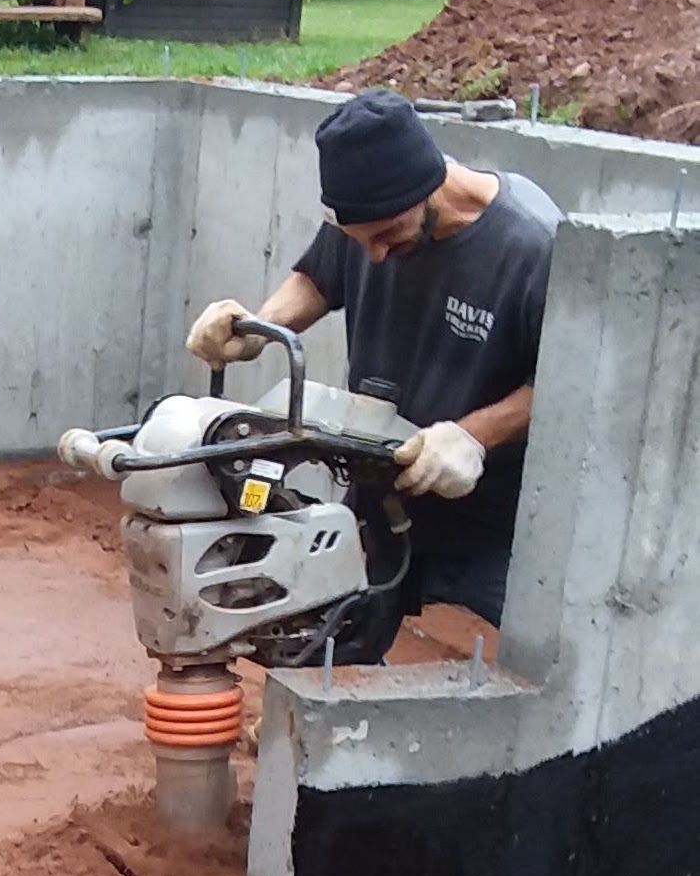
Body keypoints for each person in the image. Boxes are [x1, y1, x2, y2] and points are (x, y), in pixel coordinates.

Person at [187, 86, 561, 639]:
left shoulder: (532, 246)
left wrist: (472, 436)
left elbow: (564, 378)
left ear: (431, 188)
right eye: (359, 242)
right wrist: (260, 329)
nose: (376, 256)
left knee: (517, 673)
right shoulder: (367, 219)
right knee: (336, 641)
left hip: (490, 519)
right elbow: (319, 277)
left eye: (387, 238)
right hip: (381, 494)